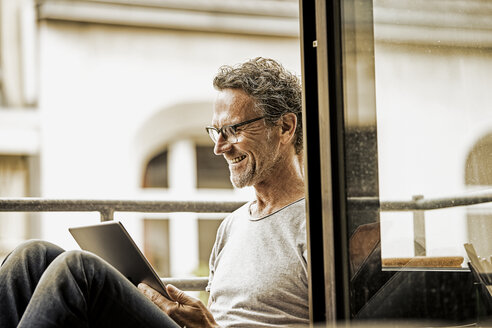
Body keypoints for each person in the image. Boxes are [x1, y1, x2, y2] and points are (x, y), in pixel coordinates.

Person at [0, 57, 308, 328]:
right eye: (216, 131)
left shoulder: (319, 229)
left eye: (234, 130)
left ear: (284, 128)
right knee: (30, 257)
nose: (219, 147)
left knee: (79, 270)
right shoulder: (233, 225)